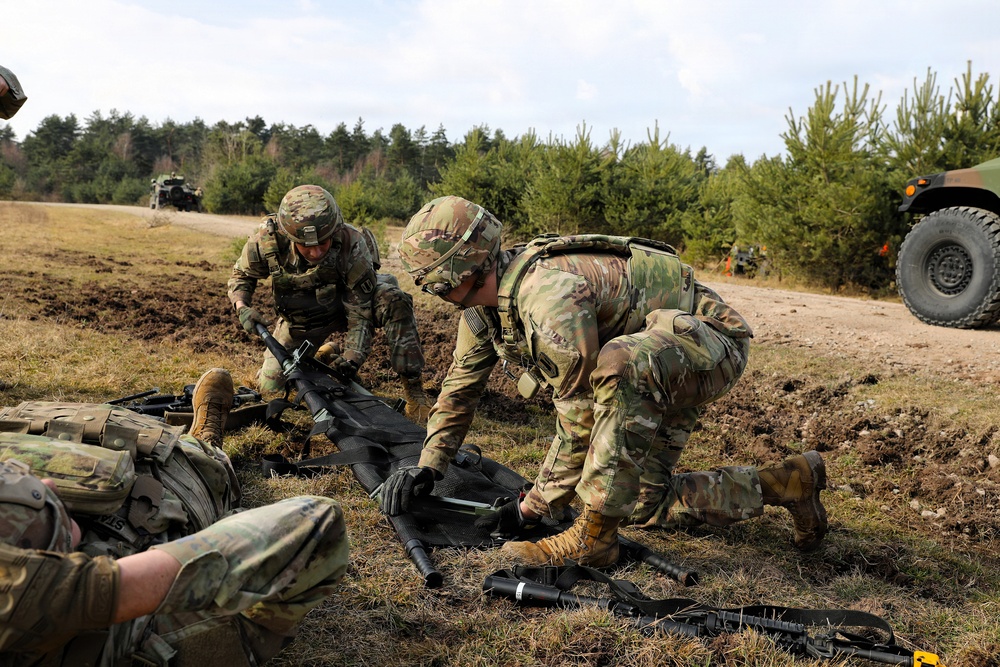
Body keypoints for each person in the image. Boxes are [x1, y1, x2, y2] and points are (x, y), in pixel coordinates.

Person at [379, 195, 828, 567]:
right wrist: (429, 465)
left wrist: (533, 507)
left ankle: (593, 541)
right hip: (658, 360)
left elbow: (580, 420)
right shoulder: (485, 311)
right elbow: (459, 389)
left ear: (455, 270)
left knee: (616, 366)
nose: (427, 288)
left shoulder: (547, 299)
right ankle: (787, 483)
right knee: (639, 503)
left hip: (708, 348)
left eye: (428, 279)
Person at [0, 369, 349, 665]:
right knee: (207, 471)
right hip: (168, 491)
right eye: (44, 505)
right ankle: (207, 443)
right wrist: (109, 588)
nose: (48, 484)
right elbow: (315, 519)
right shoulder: (104, 621)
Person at [228, 184, 432, 421]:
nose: (315, 252)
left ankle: (415, 393)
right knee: (271, 386)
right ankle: (322, 356)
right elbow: (241, 276)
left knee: (394, 299)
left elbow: (360, 312)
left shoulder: (352, 243)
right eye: (306, 245)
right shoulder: (268, 242)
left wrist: (351, 361)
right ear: (290, 236)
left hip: (348, 309)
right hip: (302, 321)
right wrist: (242, 307)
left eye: (322, 242)